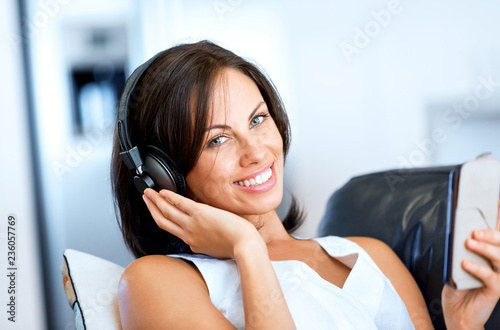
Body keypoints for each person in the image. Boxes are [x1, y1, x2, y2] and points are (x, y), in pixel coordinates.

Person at [111, 40, 500, 329]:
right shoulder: (156, 282)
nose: (256, 152)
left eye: (257, 120)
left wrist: (462, 325)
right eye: (217, 139)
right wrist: (247, 248)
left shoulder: (372, 256)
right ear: (165, 175)